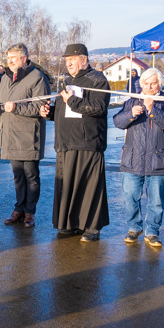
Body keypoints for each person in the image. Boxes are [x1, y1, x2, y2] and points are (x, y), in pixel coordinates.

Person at [40, 43, 110, 240]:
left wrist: (72, 101)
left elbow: (98, 107)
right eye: (67, 60)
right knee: (69, 186)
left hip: (88, 142)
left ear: (84, 60)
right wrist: (50, 113)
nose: (68, 63)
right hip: (66, 143)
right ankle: (71, 223)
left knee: (89, 187)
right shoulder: (68, 81)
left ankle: (92, 227)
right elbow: (66, 111)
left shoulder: (98, 80)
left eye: (72, 60)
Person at [113, 67, 164, 248]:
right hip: (132, 159)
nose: (149, 87)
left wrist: (152, 109)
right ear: (141, 85)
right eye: (146, 83)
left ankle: (152, 231)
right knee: (130, 197)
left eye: (153, 83)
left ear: (159, 84)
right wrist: (130, 114)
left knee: (156, 200)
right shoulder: (131, 101)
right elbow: (118, 122)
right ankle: (134, 227)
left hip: (158, 160)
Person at [0, 44, 49, 228]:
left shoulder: (37, 77)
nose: (9, 61)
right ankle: (19, 209)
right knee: (18, 176)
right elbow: (1, 99)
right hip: (11, 134)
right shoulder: (6, 77)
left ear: (24, 58)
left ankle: (30, 212)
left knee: (31, 176)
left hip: (29, 135)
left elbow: (41, 107)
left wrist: (16, 108)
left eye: (13, 58)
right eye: (8, 58)